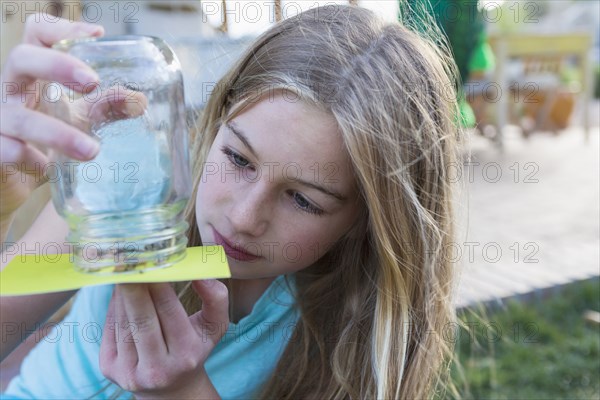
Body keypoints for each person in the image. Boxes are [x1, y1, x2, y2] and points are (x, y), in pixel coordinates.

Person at [0, 4, 463, 399]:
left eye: (303, 200)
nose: (244, 219)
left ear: (368, 219)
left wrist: (184, 392)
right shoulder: (132, 199)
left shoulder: (351, 330)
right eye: (239, 159)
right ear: (217, 121)